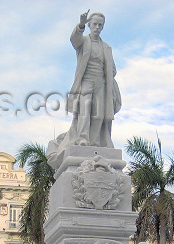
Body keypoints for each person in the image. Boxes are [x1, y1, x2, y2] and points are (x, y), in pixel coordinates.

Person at [47, 11, 121, 167]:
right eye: (94, 24)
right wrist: (80, 25)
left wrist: (108, 73)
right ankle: (83, 139)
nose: (97, 27)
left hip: (101, 82)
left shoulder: (106, 47)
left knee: (99, 113)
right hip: (86, 81)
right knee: (85, 110)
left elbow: (112, 69)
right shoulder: (84, 42)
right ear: (89, 25)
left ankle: (95, 142)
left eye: (100, 25)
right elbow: (74, 40)